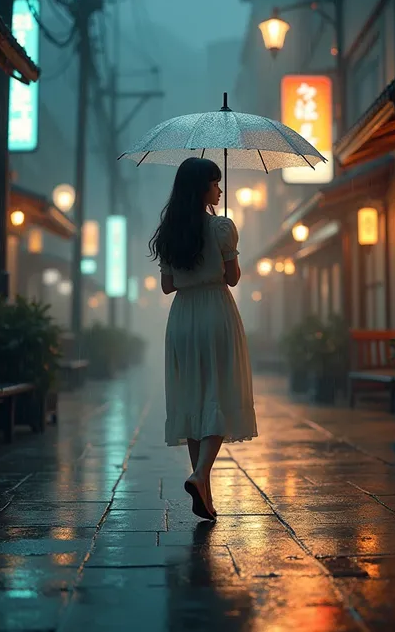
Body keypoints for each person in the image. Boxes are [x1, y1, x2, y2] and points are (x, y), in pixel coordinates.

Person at [149, 157, 258, 521]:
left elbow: (167, 287)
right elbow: (232, 279)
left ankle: (205, 494)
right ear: (204, 190)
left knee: (194, 397)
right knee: (219, 393)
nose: (220, 190)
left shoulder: (169, 232)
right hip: (216, 313)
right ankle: (199, 475)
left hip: (182, 318)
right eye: (216, 183)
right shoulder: (222, 227)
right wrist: (224, 245)